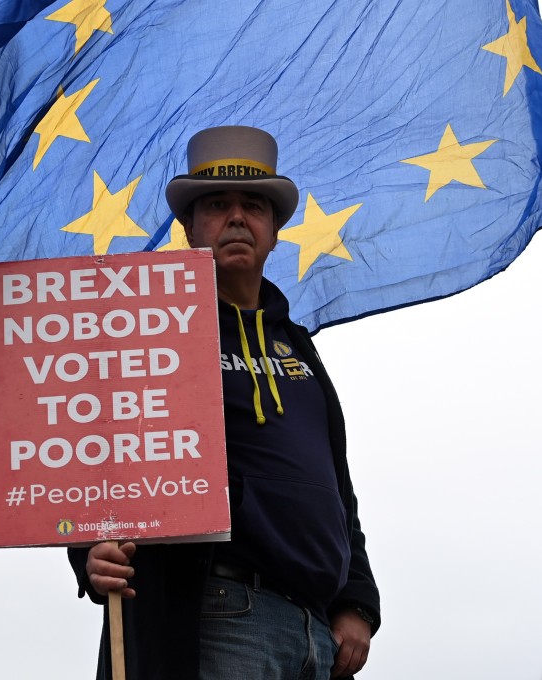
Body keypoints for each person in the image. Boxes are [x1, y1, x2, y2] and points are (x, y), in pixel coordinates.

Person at [68, 126, 380, 680]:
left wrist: (356, 600)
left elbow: (336, 488)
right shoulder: (149, 332)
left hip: (316, 635)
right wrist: (90, 551)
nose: (237, 217)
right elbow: (100, 457)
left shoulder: (300, 348)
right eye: (216, 205)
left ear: (275, 230)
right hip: (217, 615)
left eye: (254, 205)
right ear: (189, 228)